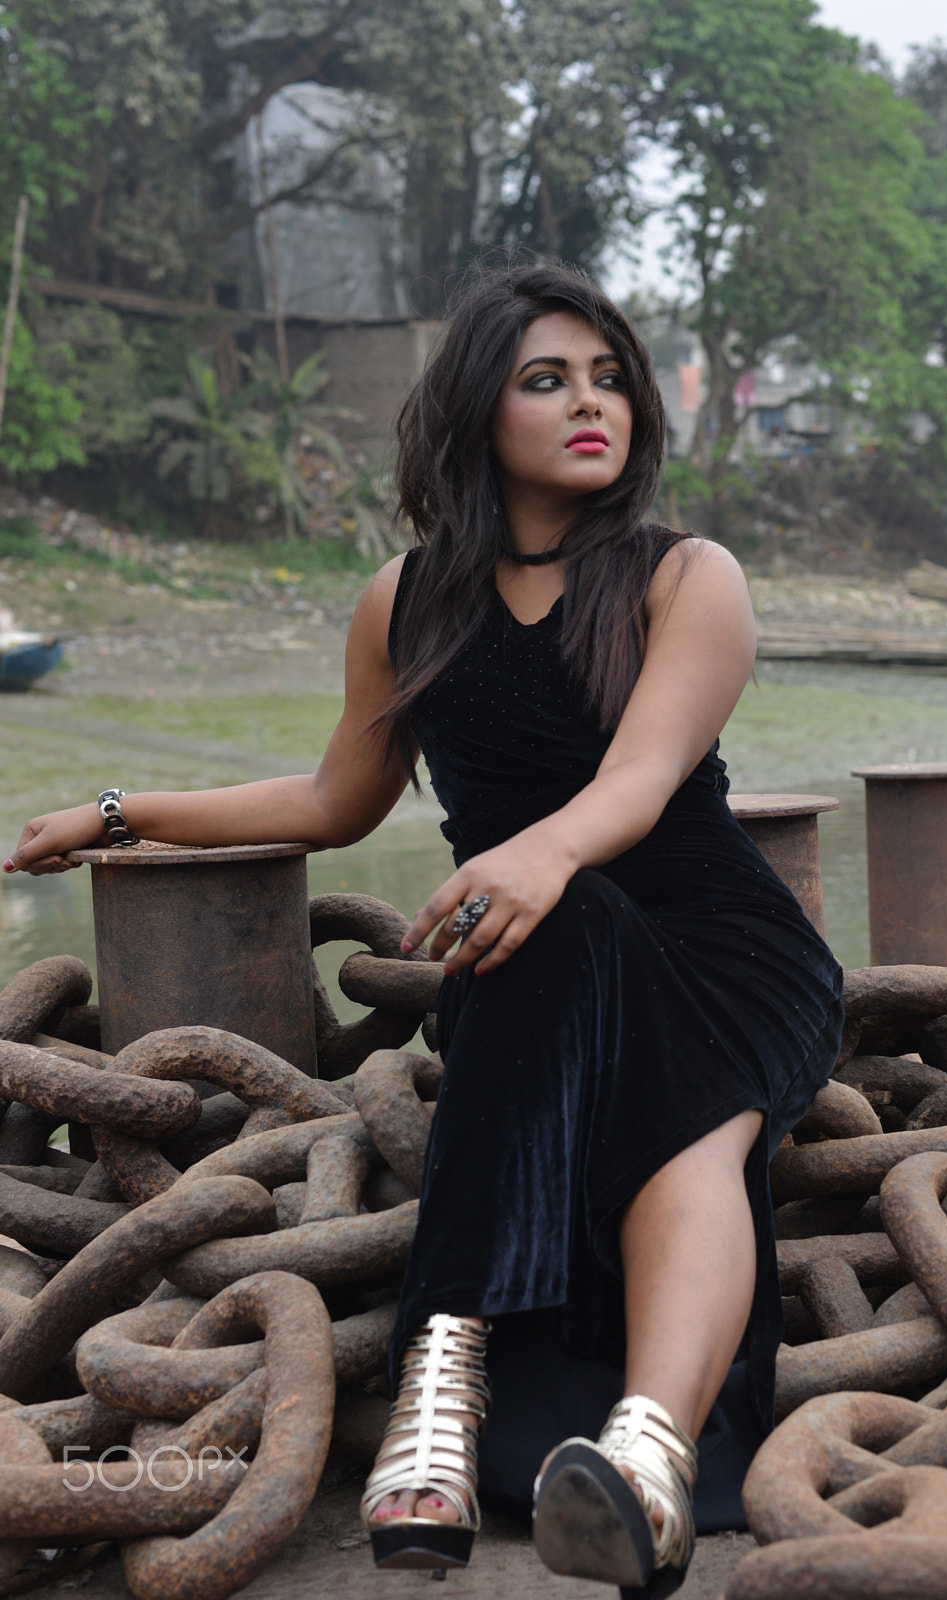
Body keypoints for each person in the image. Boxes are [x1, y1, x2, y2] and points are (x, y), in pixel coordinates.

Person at [3, 264, 844, 1599]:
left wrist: (538, 852)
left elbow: (637, 785)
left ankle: (590, 1436)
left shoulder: (688, 578)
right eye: (547, 379)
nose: (593, 403)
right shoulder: (407, 600)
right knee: (524, 940)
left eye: (610, 376)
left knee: (600, 996)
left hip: (719, 949)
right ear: (476, 412)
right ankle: (560, 1432)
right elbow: (337, 799)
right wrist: (117, 810)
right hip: (536, 949)